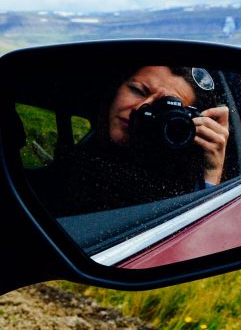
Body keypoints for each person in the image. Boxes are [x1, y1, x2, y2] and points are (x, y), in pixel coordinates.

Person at [32, 65, 230, 217]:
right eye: (138, 90)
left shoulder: (175, 187)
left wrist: (211, 174)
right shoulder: (73, 164)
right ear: (115, 89)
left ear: (188, 126)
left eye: (163, 109)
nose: (141, 108)